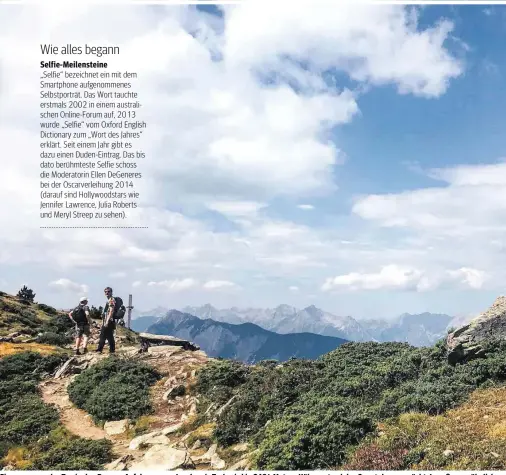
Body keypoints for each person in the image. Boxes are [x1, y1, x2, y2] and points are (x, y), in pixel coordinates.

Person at [96, 286, 116, 354]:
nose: (107, 293)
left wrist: (107, 321)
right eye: (105, 292)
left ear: (111, 292)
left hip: (108, 320)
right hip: (107, 320)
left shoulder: (111, 300)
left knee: (103, 335)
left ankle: (99, 349)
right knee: (109, 335)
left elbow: (111, 311)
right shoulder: (109, 300)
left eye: (108, 291)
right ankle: (112, 350)